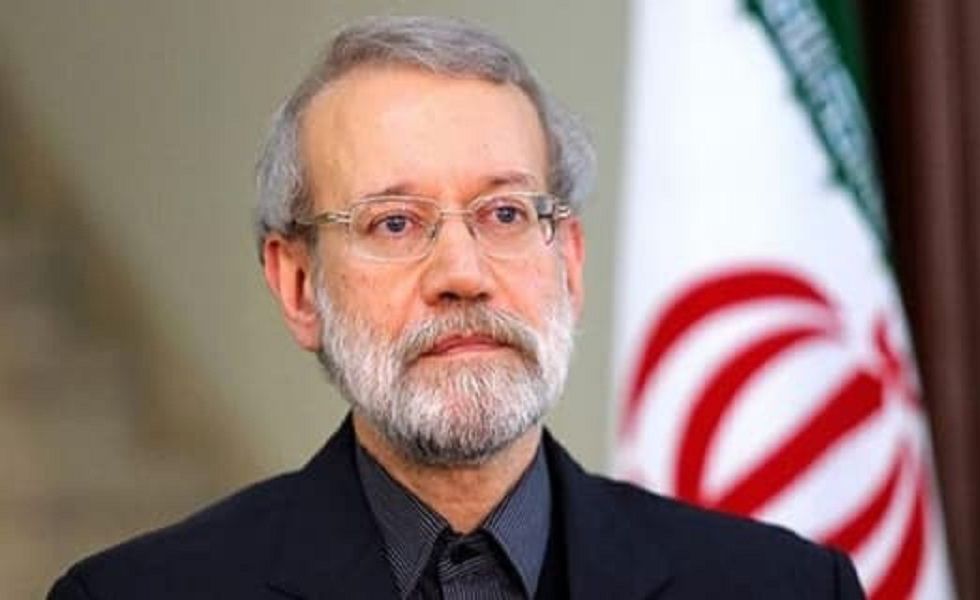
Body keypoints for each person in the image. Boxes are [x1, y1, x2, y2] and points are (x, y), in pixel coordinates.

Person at [49, 15, 865, 600]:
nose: (463, 274)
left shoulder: (786, 587)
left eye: (506, 213)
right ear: (298, 286)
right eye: (394, 223)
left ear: (569, 261)